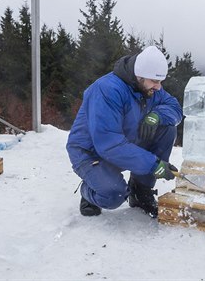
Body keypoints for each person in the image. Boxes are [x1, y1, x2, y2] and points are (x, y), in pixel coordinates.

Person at [66, 46, 183, 218]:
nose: (159, 87)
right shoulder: (107, 90)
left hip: (125, 143)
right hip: (91, 153)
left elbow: (175, 108)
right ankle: (89, 191)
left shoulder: (149, 85)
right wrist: (153, 165)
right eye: (154, 81)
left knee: (167, 128)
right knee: (114, 195)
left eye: (161, 81)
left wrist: (157, 116)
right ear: (139, 75)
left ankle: (140, 191)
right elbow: (109, 144)